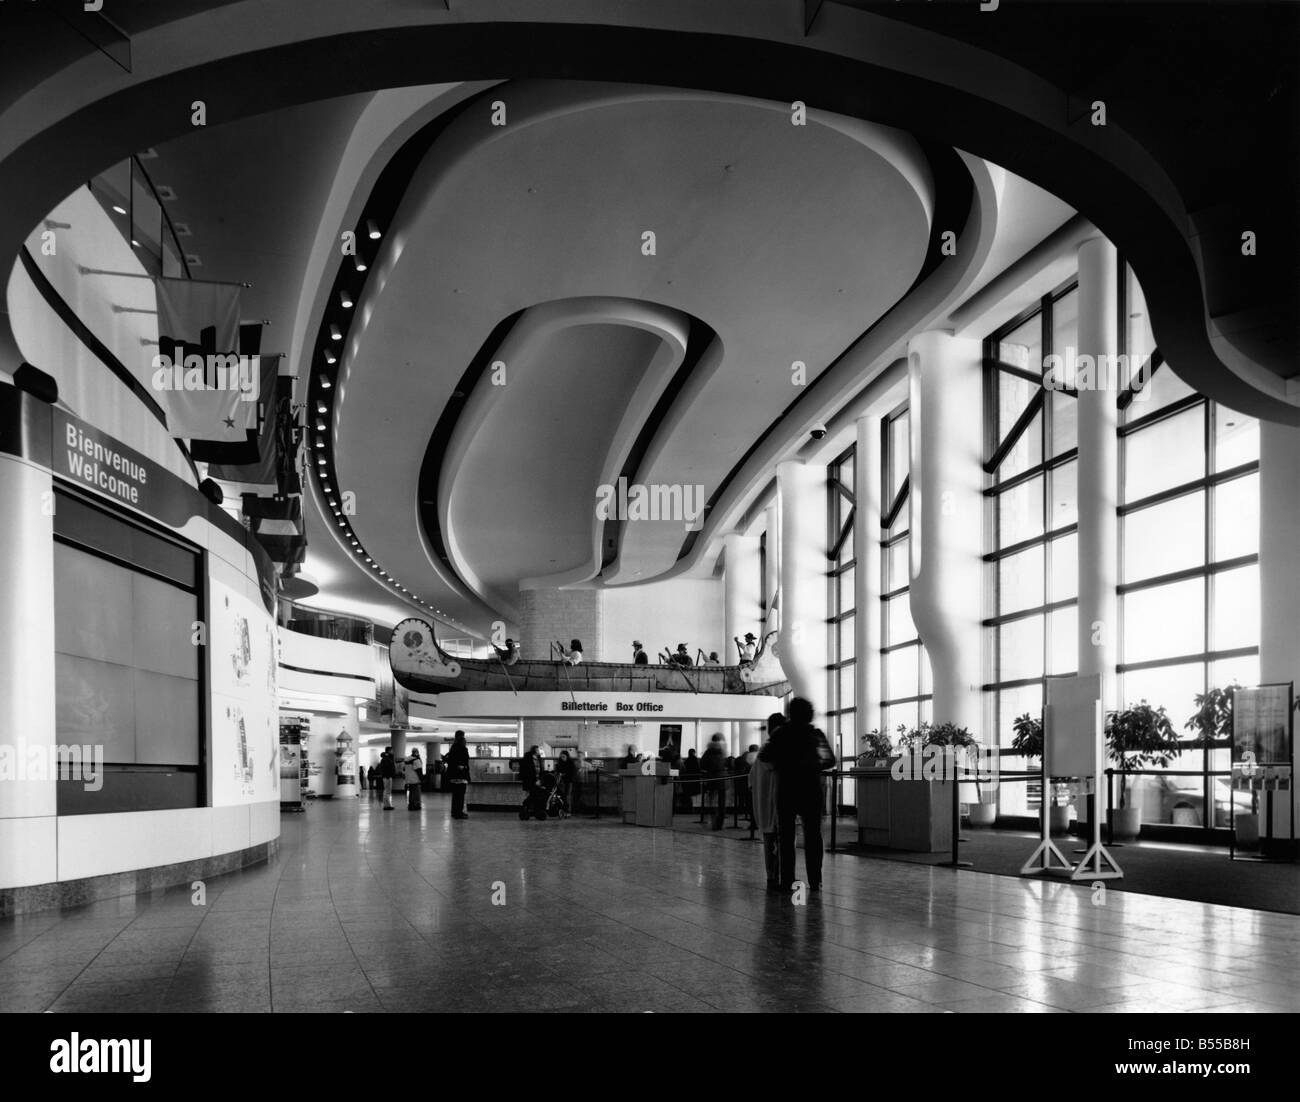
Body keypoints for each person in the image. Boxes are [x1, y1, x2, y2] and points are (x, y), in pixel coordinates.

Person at [760, 697, 836, 893]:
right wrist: (813, 765)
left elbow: (764, 755)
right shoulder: (815, 734)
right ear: (809, 714)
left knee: (786, 837)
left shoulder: (780, 734)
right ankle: (815, 880)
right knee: (813, 836)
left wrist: (783, 762)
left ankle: (787, 881)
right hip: (811, 789)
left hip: (786, 789)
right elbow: (830, 760)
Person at [750, 717, 783, 891]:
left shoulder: (761, 755)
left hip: (763, 806)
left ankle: (771, 875)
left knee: (769, 841)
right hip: (778, 804)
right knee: (783, 840)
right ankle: (783, 875)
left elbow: (751, 780)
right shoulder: (781, 753)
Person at [701, 734, 728, 830]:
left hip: (712, 778)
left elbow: (702, 764)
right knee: (722, 802)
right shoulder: (723, 751)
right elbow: (727, 764)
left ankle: (714, 823)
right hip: (722, 778)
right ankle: (720, 823)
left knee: (712, 801)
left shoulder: (708, 751)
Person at [444, 730, 471, 819]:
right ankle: (459, 813)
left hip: (453, 776)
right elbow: (466, 761)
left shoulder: (453, 747)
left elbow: (450, 760)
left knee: (455, 795)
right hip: (461, 776)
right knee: (460, 795)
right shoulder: (463, 748)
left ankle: (454, 812)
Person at [519, 744, 545, 819]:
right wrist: (535, 781)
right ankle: (528, 809)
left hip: (537, 781)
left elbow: (540, 770)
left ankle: (530, 810)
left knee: (535, 796)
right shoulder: (528, 759)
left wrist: (539, 780)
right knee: (532, 795)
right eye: (538, 750)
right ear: (535, 751)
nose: (539, 751)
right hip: (530, 781)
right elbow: (526, 771)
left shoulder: (538, 759)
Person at [679, 747, 701, 813]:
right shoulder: (696, 760)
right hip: (695, 780)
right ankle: (692, 809)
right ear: (694, 753)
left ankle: (688, 808)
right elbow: (698, 769)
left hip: (687, 780)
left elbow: (684, 769)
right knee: (692, 796)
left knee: (687, 795)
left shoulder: (687, 760)